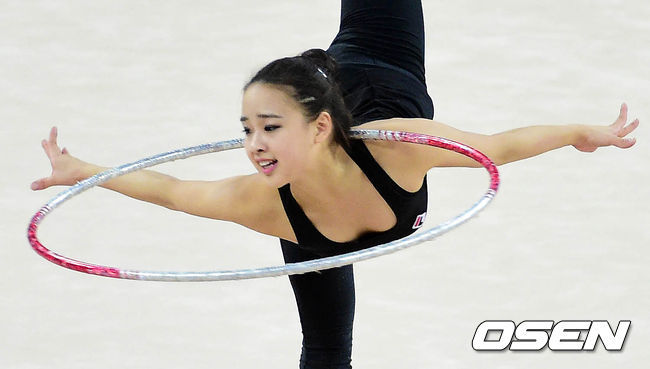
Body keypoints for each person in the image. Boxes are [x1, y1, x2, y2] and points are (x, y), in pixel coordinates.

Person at [31, 1, 639, 368]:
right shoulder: (263, 204)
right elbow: (170, 191)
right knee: (325, 354)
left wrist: (583, 132)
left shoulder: (403, 150)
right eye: (246, 129)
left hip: (379, 61)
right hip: (316, 230)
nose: (253, 146)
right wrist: (86, 173)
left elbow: (501, 146)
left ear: (320, 127)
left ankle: (327, 65)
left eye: (269, 127)